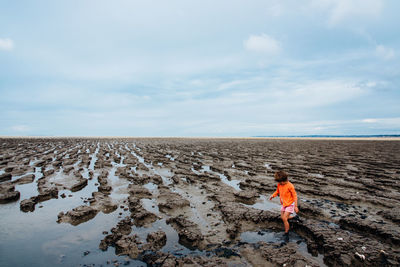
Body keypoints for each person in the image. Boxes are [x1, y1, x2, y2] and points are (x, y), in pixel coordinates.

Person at [269, 170, 300, 242]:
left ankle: (286, 233)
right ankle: (295, 217)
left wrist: (295, 206)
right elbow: (277, 191)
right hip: (284, 204)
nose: (279, 183)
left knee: (284, 219)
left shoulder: (290, 186)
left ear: (283, 180)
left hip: (290, 204)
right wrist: (273, 195)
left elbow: (295, 196)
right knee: (282, 217)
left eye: (280, 182)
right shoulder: (279, 184)